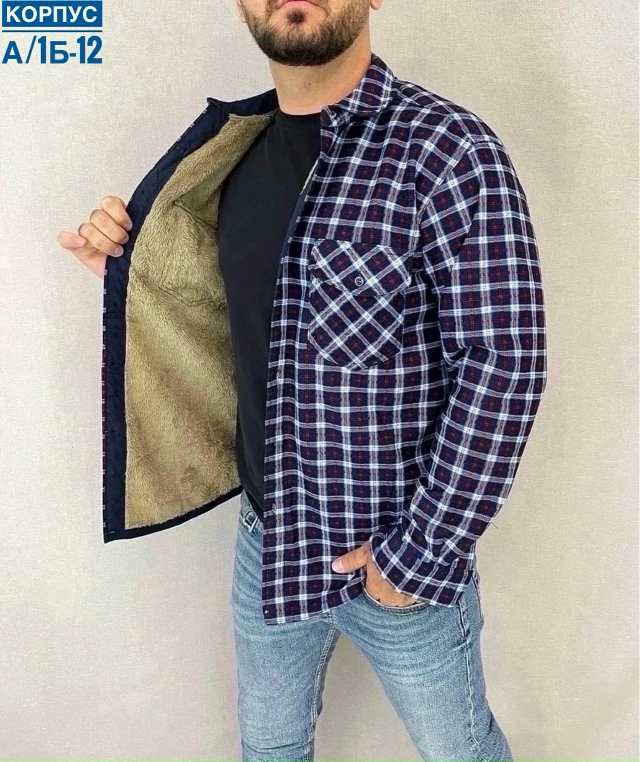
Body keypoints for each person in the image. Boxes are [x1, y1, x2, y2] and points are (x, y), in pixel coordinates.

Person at [58, 1, 548, 759]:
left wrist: (418, 555)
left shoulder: (448, 150)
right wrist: (133, 274)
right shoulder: (230, 155)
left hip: (394, 555)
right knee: (269, 750)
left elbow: (504, 364)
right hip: (267, 538)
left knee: (464, 751)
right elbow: (247, 319)